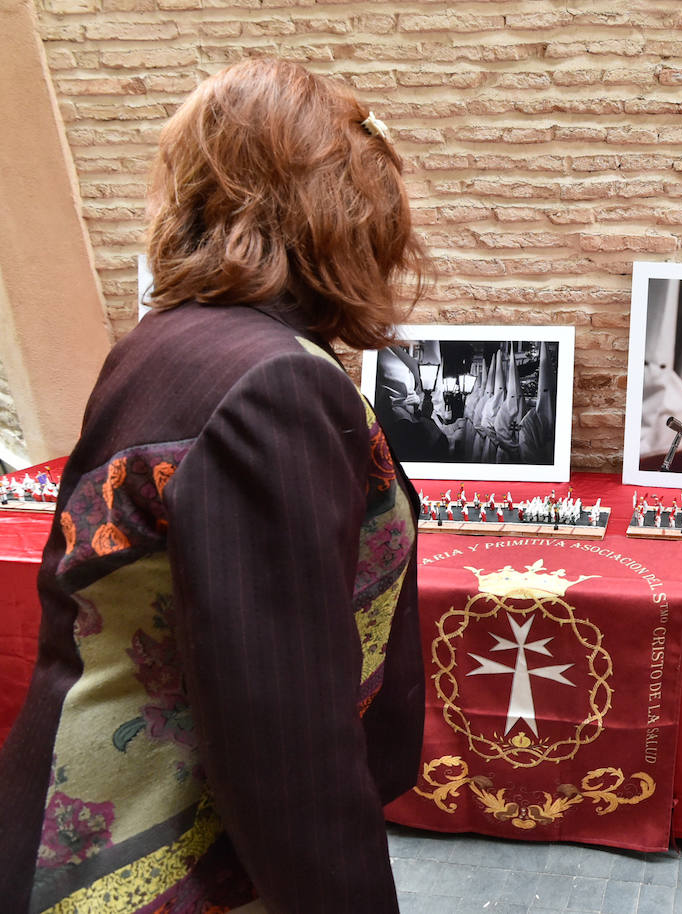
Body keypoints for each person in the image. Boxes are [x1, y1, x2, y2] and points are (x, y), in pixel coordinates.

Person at [0, 58, 430, 913]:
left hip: (75, 811)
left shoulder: (168, 344)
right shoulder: (274, 384)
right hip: (164, 858)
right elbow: (283, 742)